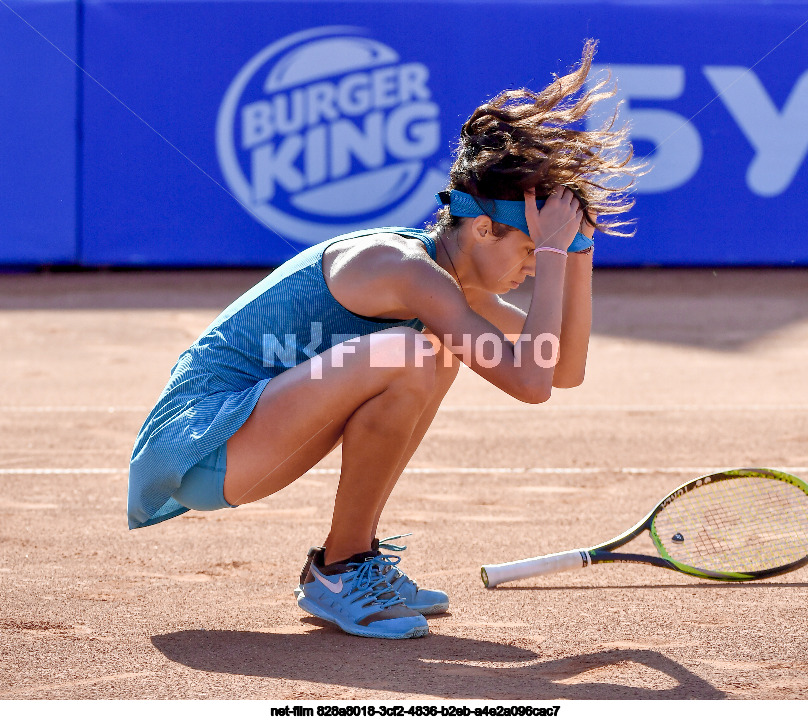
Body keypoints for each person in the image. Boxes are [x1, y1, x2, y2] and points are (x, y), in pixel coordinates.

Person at [127, 39, 641, 640]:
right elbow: (530, 385)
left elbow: (560, 369)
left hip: (254, 441)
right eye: (526, 251)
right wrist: (552, 251)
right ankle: (342, 571)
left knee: (433, 353)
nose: (531, 267)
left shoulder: (449, 287)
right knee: (418, 352)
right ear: (481, 227)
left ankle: (353, 559)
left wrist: (576, 248)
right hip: (201, 443)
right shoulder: (403, 269)